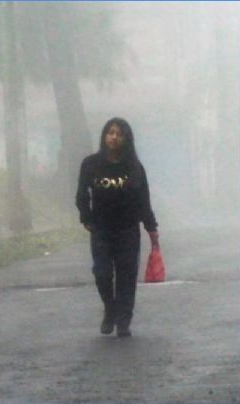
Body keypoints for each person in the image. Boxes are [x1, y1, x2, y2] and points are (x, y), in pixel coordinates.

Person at [75, 117, 159, 338]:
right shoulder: (91, 164)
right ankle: (110, 308)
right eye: (110, 132)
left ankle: (123, 321)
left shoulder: (134, 167)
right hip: (101, 229)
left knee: (126, 276)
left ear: (126, 139)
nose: (114, 137)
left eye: (119, 134)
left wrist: (151, 226)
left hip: (128, 229)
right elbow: (82, 194)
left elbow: (143, 199)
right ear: (104, 136)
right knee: (101, 273)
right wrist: (86, 217)